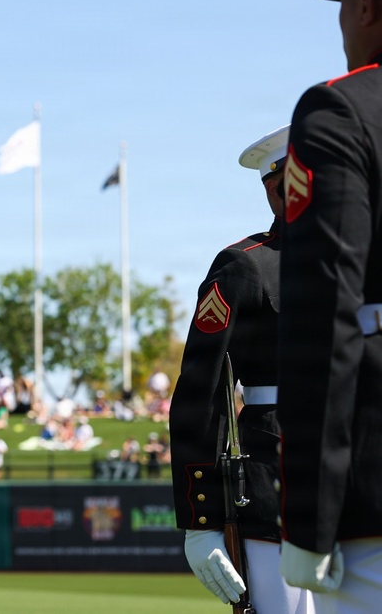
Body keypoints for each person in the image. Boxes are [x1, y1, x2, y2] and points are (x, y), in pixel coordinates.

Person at [169, 125, 314, 613]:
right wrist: (201, 519)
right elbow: (200, 395)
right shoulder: (243, 268)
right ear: (274, 189)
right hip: (280, 474)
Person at [276, 0, 382, 608]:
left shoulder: (341, 110)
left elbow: (327, 318)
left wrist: (310, 519)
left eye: (341, 3)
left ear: (366, 4)